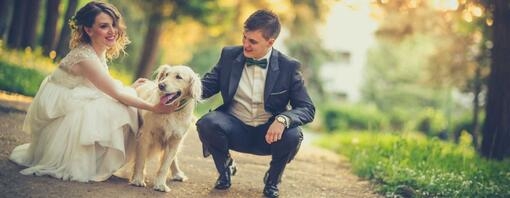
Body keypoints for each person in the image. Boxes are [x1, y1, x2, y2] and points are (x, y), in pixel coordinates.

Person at [9, 1, 175, 182]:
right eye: (104, 26)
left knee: (125, 100)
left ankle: (98, 160)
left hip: (78, 93)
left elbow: (102, 84)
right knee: (120, 108)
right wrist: (153, 107)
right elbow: (116, 94)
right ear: (88, 30)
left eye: (113, 24)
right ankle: (89, 161)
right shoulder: (84, 56)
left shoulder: (97, 50)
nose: (112, 31)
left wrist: (131, 90)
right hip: (65, 105)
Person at [196, 9, 315, 198]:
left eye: (252, 41)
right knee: (207, 123)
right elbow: (203, 87)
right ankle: (225, 168)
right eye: (244, 38)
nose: (245, 45)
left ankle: (273, 180)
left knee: (293, 134)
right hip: (234, 128)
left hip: (268, 135)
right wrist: (172, 87)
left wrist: (283, 119)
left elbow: (307, 108)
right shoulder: (229, 56)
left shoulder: (288, 67)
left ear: (271, 42)